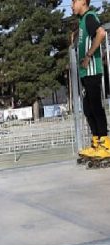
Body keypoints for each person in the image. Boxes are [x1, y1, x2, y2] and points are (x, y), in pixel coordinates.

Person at [72, 0, 110, 158]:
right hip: (85, 73)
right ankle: (96, 143)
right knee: (88, 109)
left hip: (92, 70)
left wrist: (88, 55)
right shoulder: (82, 21)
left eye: (74, 2)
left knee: (95, 107)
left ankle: (105, 145)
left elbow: (101, 33)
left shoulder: (89, 17)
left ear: (83, 2)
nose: (72, 5)